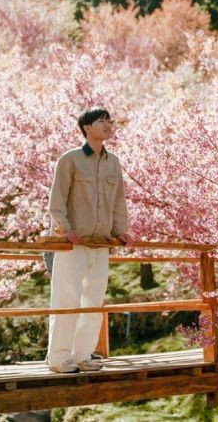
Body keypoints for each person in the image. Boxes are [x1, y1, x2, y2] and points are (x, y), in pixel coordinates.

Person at [46, 107, 130, 373]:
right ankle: (59, 359)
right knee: (67, 298)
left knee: (94, 300)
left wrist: (120, 230)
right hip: (74, 242)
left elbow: (118, 201)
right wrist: (64, 228)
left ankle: (83, 355)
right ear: (87, 128)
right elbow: (57, 201)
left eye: (109, 121)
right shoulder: (69, 160)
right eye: (101, 121)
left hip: (101, 242)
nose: (108, 125)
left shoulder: (113, 162)